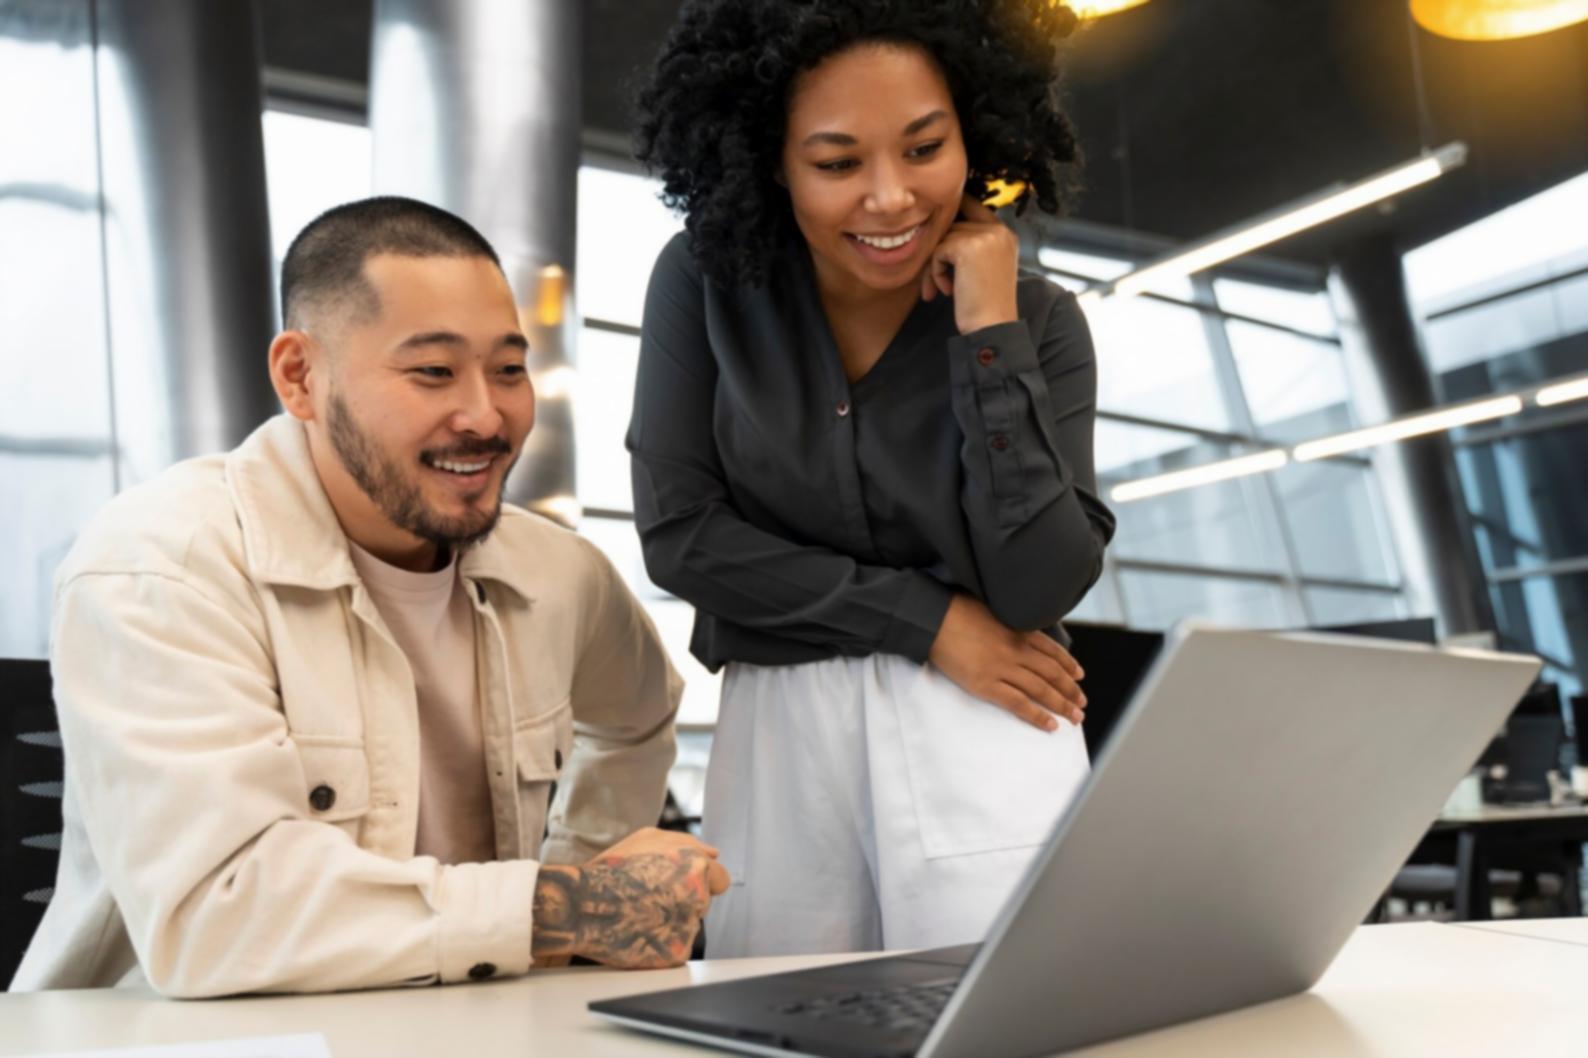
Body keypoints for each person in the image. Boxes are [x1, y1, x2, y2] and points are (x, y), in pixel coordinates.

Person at [12, 197, 728, 997]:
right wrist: (567, 909)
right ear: (300, 377)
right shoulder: (161, 565)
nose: (487, 416)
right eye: (432, 371)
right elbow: (221, 917)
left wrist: (581, 884)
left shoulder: (558, 573)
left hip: (467, 1030)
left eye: (508, 369)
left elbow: (637, 715)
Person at [629, 0, 1115, 957]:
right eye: (838, 162)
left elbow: (1039, 584)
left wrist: (988, 332)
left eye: (925, 148)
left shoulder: (1039, 321)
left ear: (973, 134)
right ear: (773, 160)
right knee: (776, 1017)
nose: (891, 198)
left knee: (1007, 1025)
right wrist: (929, 621)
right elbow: (683, 536)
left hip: (993, 723)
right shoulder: (703, 282)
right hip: (784, 737)